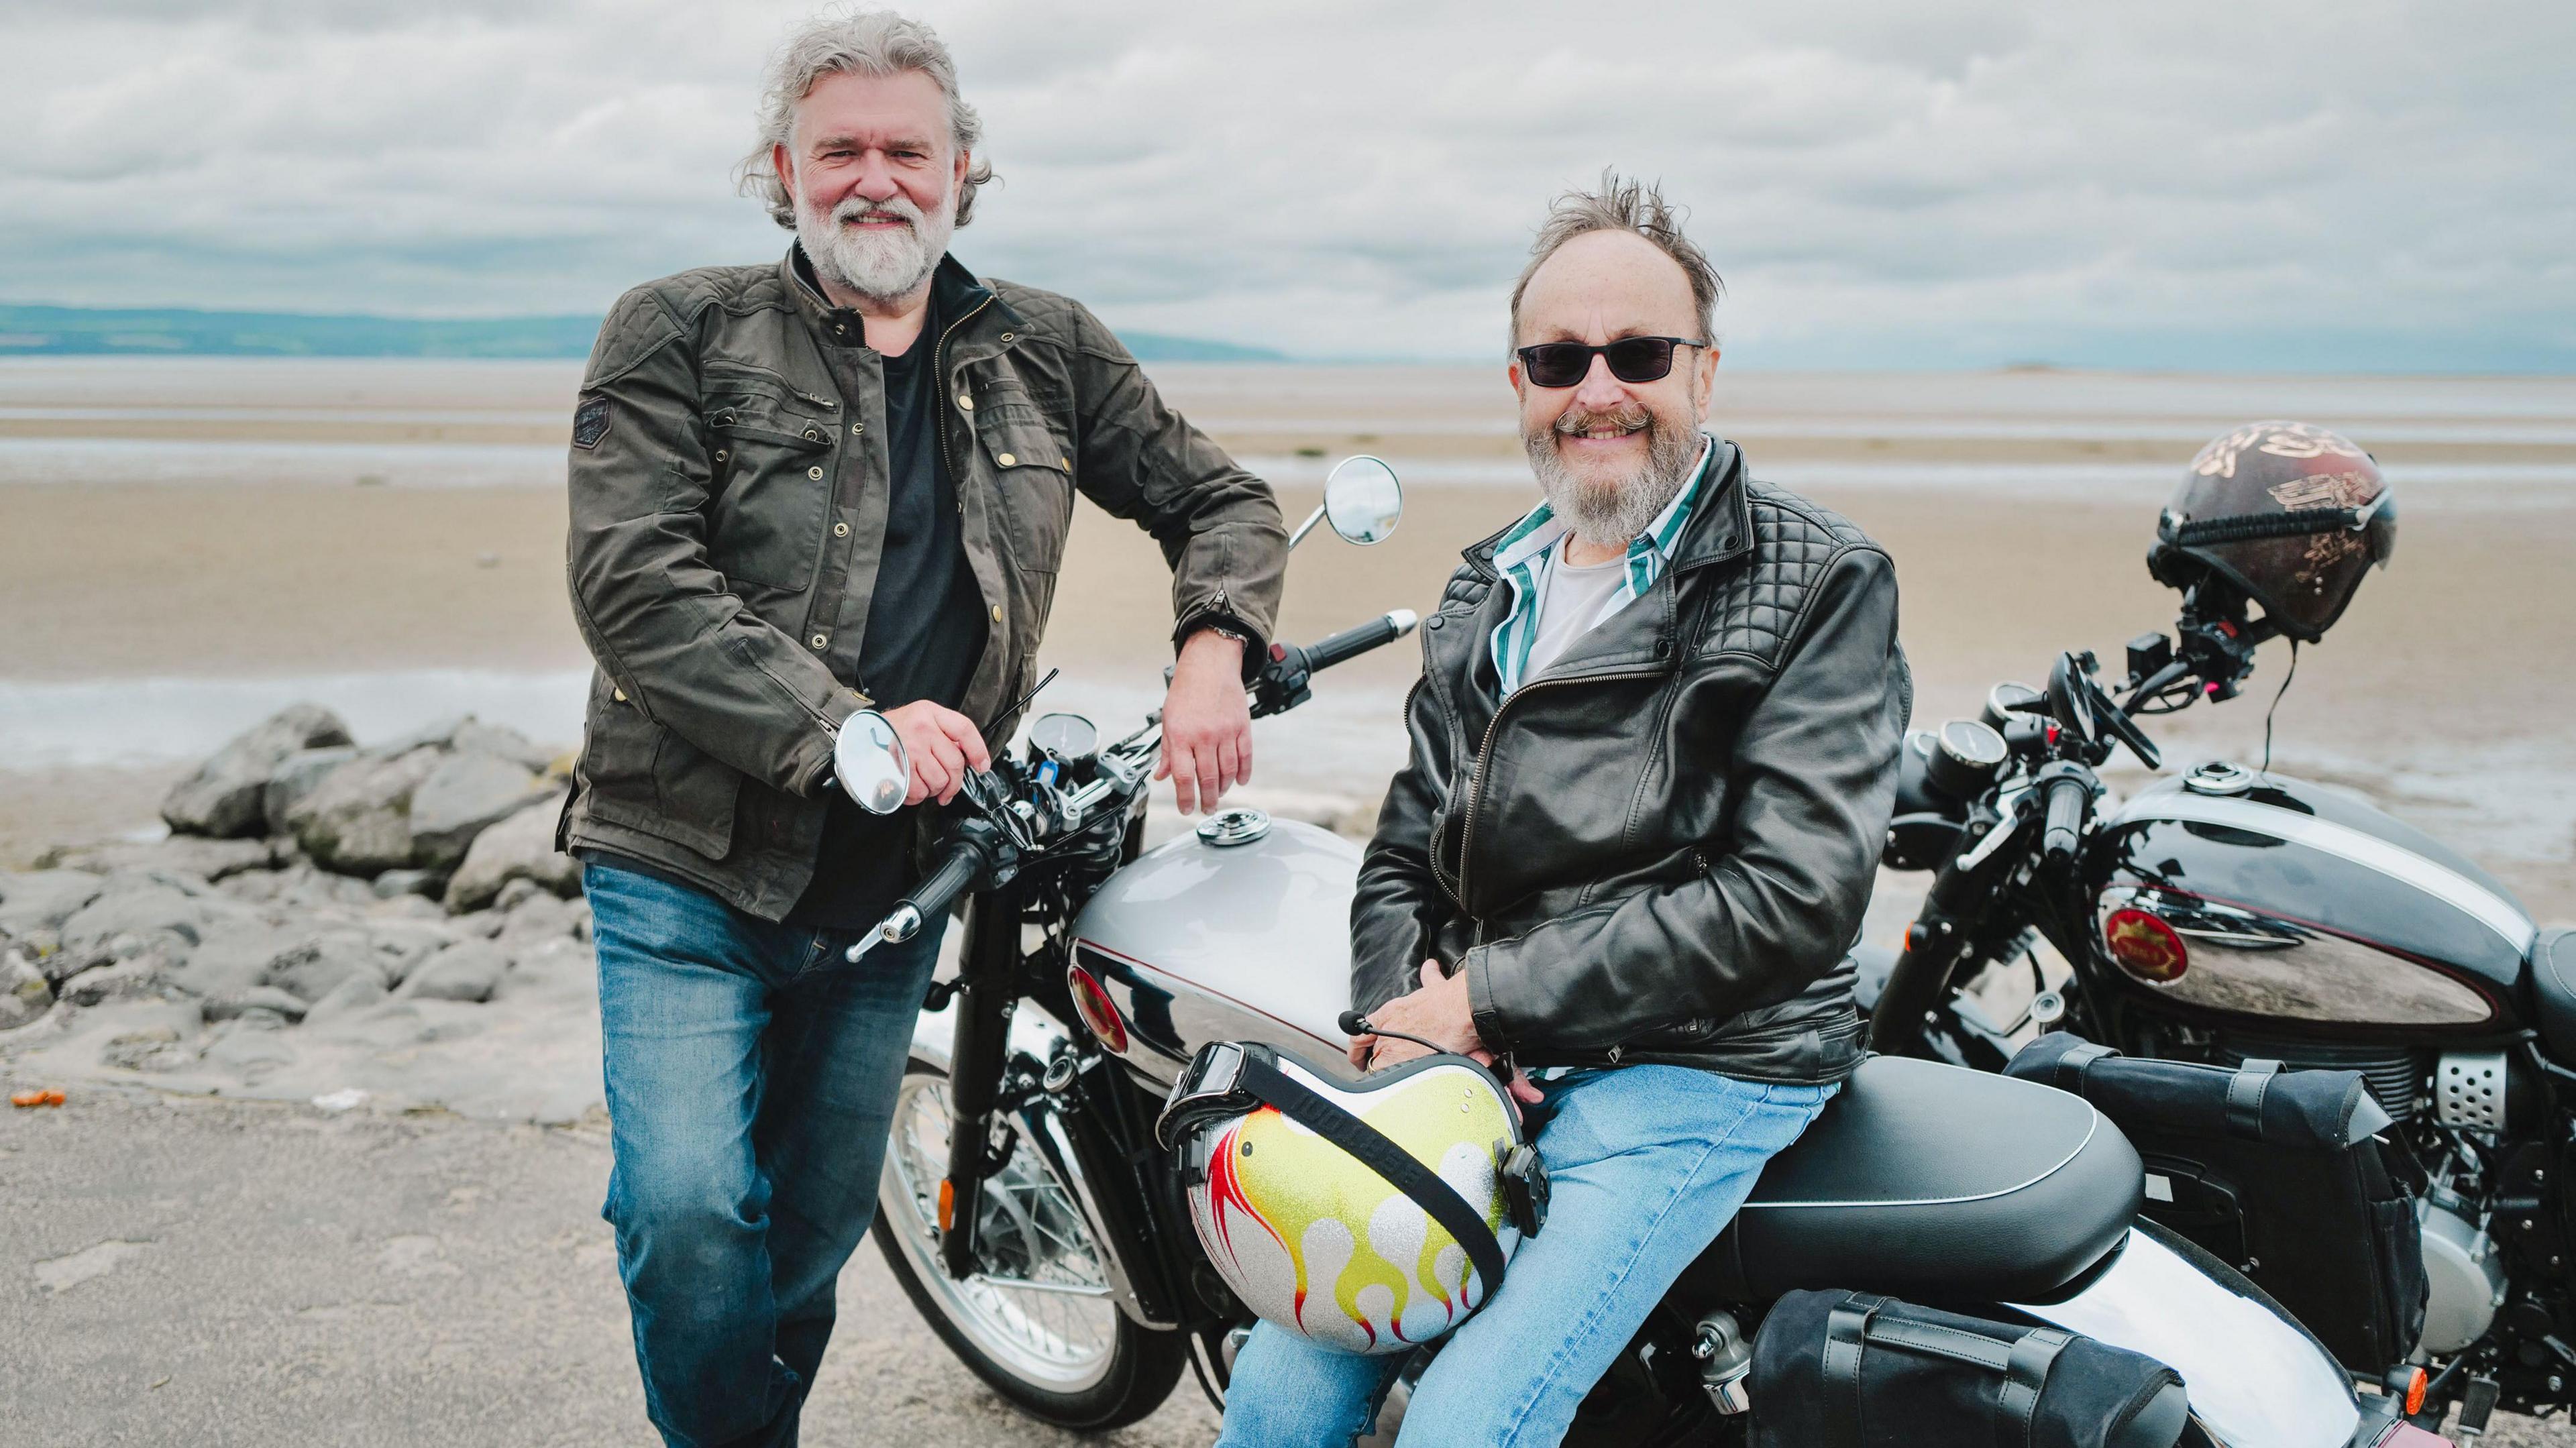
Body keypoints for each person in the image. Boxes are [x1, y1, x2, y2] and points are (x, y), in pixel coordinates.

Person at [557, 12, 1287, 1445]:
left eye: (909, 149)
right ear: (784, 169)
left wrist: (1216, 648)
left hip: (898, 886)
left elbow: (1225, 500)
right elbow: (630, 578)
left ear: (964, 171)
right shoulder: (677, 329)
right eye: (840, 150)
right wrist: (846, 726)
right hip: (682, 859)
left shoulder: (1046, 349)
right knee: (691, 1209)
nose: (874, 178)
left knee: (814, 1233)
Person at [1217, 174, 1909, 1446]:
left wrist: (1488, 1001)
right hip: (1495, 1054)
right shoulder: (1492, 584)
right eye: (1559, 358)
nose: (1599, 391)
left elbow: (1794, 897)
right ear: (1520, 383)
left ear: (1704, 372)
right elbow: (1402, 856)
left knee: (1467, 1427)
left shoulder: (1821, 578)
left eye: (1639, 353)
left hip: (1705, 1063)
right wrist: (1409, 1024)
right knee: (1277, 1392)